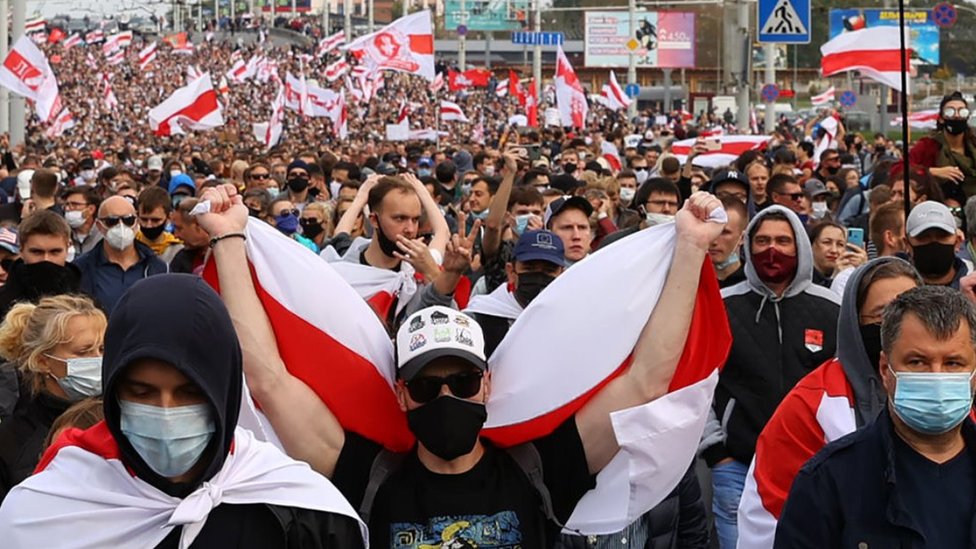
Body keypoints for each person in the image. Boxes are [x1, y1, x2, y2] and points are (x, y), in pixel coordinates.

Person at [198, 182, 725, 547]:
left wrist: (689, 248)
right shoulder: (372, 476)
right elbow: (268, 378)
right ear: (401, 394)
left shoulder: (538, 470)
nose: (447, 396)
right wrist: (228, 237)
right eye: (427, 387)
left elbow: (646, 380)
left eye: (463, 380)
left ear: (488, 384)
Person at [0, 275, 367, 548]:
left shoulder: (300, 509)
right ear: (112, 393)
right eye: (141, 392)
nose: (165, 411)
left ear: (223, 391)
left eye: (191, 392)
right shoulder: (48, 511)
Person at [736, 258, 921, 548]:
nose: (898, 327)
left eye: (910, 312)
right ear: (855, 322)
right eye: (883, 315)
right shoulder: (811, 403)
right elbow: (772, 508)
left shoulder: (945, 389)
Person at [774, 286, 976, 548]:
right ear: (885, 369)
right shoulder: (830, 479)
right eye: (917, 361)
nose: (936, 376)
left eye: (953, 363)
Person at [699, 206, 841, 549]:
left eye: (782, 241)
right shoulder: (722, 306)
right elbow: (700, 384)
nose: (771, 250)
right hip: (738, 467)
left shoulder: (830, 307)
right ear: (748, 246)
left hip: (815, 468)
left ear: (800, 247)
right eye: (762, 241)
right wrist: (717, 451)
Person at [0, 294, 106, 502]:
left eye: (102, 349)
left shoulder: (122, 418)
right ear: (43, 361)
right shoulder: (13, 441)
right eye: (83, 352)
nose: (98, 360)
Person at [465, 229, 566, 356]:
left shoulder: (571, 319)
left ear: (563, 275)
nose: (539, 277)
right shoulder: (481, 318)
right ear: (511, 271)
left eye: (548, 270)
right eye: (529, 268)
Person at [73, 196, 168, 315]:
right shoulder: (80, 269)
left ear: (136, 222)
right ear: (99, 226)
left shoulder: (157, 266)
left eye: (128, 220)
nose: (121, 226)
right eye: (112, 221)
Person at [0, 211, 82, 320]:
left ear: (67, 250)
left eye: (55, 252)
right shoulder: (2, 302)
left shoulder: (84, 306)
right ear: (21, 250)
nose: (46, 260)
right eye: (37, 252)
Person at [909, 91, 976, 198]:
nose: (957, 116)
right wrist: (931, 171)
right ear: (941, 118)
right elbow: (900, 168)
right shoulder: (927, 146)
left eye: (962, 111)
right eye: (950, 111)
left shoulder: (973, 144)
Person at [905, 200, 971, 289]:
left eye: (942, 236)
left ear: (958, 242)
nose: (933, 242)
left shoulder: (972, 287)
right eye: (923, 237)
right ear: (907, 244)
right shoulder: (893, 291)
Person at [136, 186, 184, 265]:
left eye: (155, 220)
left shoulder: (178, 250)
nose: (149, 225)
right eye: (144, 219)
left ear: (169, 218)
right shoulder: (130, 246)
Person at [709, 196, 749, 288]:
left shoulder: (753, 284)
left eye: (724, 232)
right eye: (711, 231)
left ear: (742, 238)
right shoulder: (692, 280)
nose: (714, 241)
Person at [169, 198, 211, 275]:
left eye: (179, 228)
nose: (176, 235)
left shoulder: (229, 255)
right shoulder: (181, 259)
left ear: (199, 224)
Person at [62, 185, 102, 257]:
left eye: (75, 204)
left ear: (91, 209)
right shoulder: (62, 233)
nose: (68, 208)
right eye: (67, 204)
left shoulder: (103, 234)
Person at [809, 221, 848, 288]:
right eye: (827, 242)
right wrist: (835, 279)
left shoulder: (847, 276)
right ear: (812, 245)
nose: (834, 250)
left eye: (840, 244)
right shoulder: (802, 279)